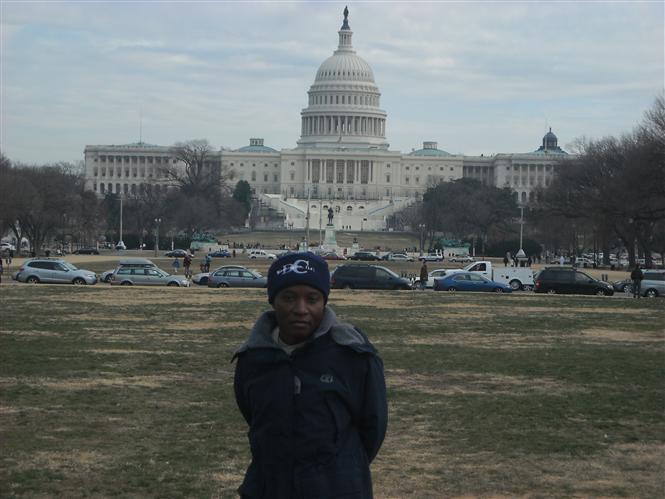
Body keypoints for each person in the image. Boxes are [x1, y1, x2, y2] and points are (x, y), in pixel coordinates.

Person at [233, 252, 387, 499]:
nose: (301, 309)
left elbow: (373, 427)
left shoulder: (352, 356)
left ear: (324, 302)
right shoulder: (252, 358)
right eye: (289, 298)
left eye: (312, 299)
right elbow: (254, 417)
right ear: (273, 300)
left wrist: (339, 468)